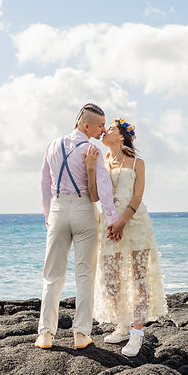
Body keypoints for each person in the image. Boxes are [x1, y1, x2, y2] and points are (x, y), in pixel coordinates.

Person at [36, 103, 119, 350]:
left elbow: (45, 183)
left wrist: (48, 215)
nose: (103, 130)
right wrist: (112, 218)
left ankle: (45, 334)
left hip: (58, 210)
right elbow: (103, 189)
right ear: (86, 126)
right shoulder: (91, 149)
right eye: (101, 125)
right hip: (84, 210)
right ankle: (81, 334)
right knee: (85, 275)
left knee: (52, 276)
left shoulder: (52, 145)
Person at [85, 117, 166, 357]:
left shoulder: (136, 163)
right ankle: (122, 324)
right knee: (111, 277)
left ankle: (137, 334)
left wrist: (123, 222)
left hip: (134, 223)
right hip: (109, 224)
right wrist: (90, 168)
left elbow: (138, 196)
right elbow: (94, 196)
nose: (104, 131)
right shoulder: (101, 162)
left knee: (139, 278)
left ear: (121, 136)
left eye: (109, 128)